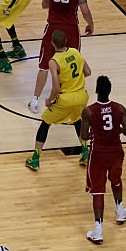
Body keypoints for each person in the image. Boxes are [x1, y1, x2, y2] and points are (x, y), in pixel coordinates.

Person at [29, 0, 93, 112]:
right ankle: (70, 96)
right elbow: (84, 11)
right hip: (71, 29)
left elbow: (44, 4)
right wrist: (91, 24)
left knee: (44, 66)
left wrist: (55, 3)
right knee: (73, 62)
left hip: (53, 27)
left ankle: (35, 101)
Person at [24, 28, 91, 171]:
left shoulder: (54, 61)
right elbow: (88, 72)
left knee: (45, 123)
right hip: (81, 96)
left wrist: (48, 100)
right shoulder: (75, 52)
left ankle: (35, 158)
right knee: (77, 120)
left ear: (52, 43)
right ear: (66, 41)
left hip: (66, 98)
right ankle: (85, 152)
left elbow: (56, 88)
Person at [80, 75, 126, 243]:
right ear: (110, 91)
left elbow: (84, 136)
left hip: (98, 154)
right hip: (116, 151)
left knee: (98, 190)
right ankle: (120, 212)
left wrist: (94, 131)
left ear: (96, 91)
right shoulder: (120, 108)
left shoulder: (89, 111)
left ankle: (98, 230)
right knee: (116, 179)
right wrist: (120, 130)